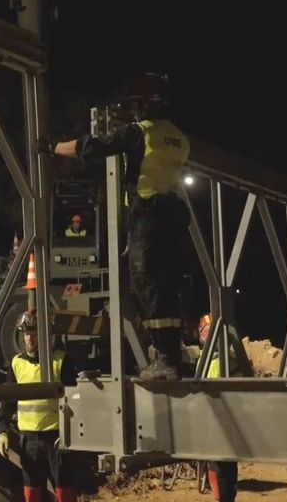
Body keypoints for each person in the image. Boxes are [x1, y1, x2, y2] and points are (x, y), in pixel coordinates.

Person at [44, 72, 191, 380]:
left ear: (148, 105)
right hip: (175, 213)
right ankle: (172, 354)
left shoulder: (141, 133)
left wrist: (53, 147)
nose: (134, 109)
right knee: (167, 283)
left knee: (146, 280)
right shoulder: (179, 137)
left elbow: (93, 147)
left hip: (148, 211)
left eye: (138, 104)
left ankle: (165, 357)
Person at [0, 309, 80, 502]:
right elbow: (7, 400)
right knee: (32, 493)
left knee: (64, 491)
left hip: (57, 439)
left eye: (34, 334)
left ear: (45, 335)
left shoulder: (61, 360)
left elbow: (75, 400)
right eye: (27, 334)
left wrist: (72, 435)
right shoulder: (17, 363)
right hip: (28, 440)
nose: (30, 339)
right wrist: (2, 431)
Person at [197, 314, 238, 501]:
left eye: (210, 333)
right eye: (205, 333)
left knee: (223, 465)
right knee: (218, 464)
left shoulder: (227, 359)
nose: (207, 337)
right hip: (212, 419)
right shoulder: (205, 359)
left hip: (223, 420)